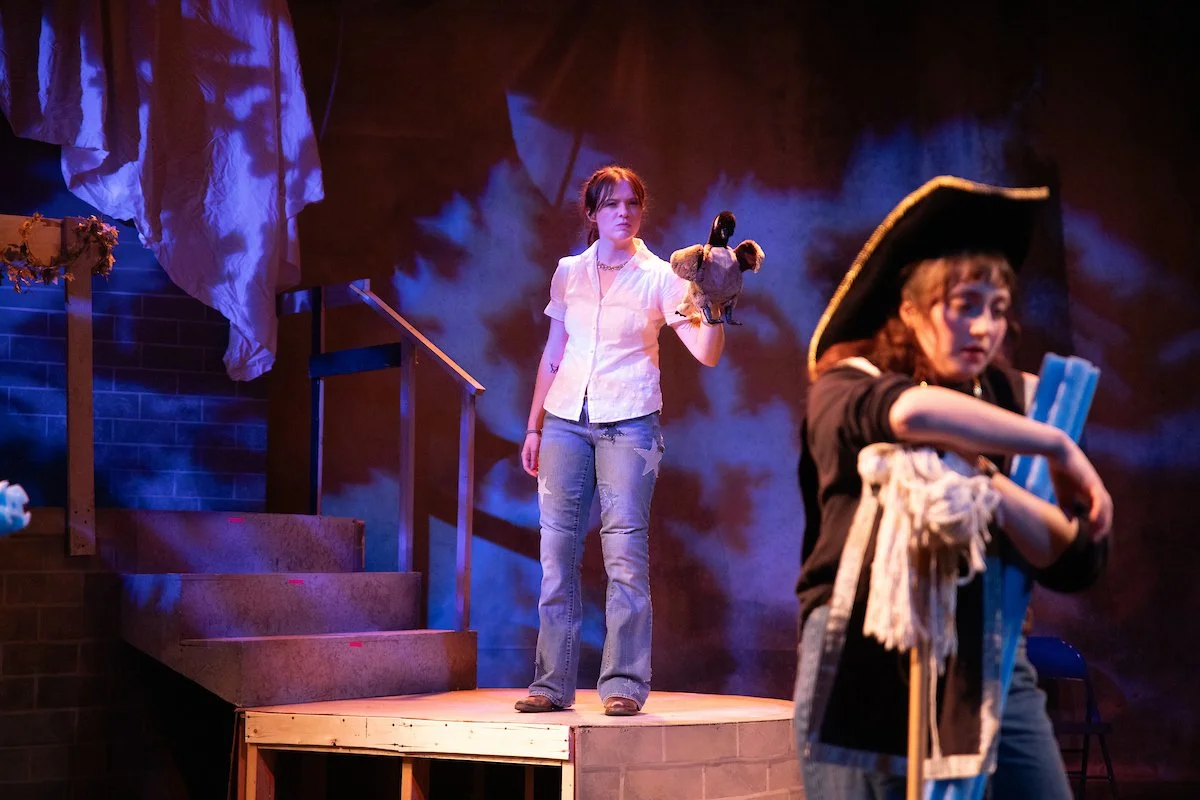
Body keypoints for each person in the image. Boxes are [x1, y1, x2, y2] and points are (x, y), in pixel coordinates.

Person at [793, 176, 1113, 798]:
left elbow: (1075, 556)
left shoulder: (1011, 403)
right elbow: (906, 414)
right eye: (965, 305)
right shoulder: (847, 383)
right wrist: (1053, 444)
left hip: (986, 648)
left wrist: (990, 483)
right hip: (864, 642)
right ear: (911, 309)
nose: (984, 327)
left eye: (997, 309)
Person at [515, 165, 726, 716]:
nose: (623, 212)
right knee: (556, 555)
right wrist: (534, 424)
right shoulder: (569, 273)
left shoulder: (661, 277)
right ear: (592, 212)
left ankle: (624, 685)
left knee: (624, 556)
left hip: (631, 422)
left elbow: (706, 352)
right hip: (564, 419)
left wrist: (716, 304)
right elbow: (554, 351)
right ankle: (551, 684)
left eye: (632, 203)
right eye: (611, 204)